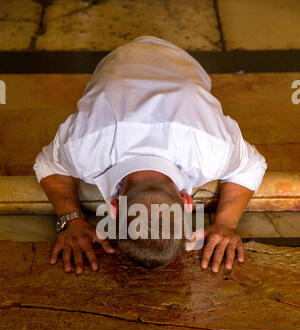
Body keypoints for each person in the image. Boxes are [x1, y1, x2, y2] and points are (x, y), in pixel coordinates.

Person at [33, 35, 267, 274]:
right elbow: (47, 165)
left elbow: (48, 166)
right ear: (112, 208)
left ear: (187, 203)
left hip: (151, 66)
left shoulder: (211, 150)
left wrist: (226, 224)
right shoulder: (83, 148)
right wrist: (225, 223)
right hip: (138, 67)